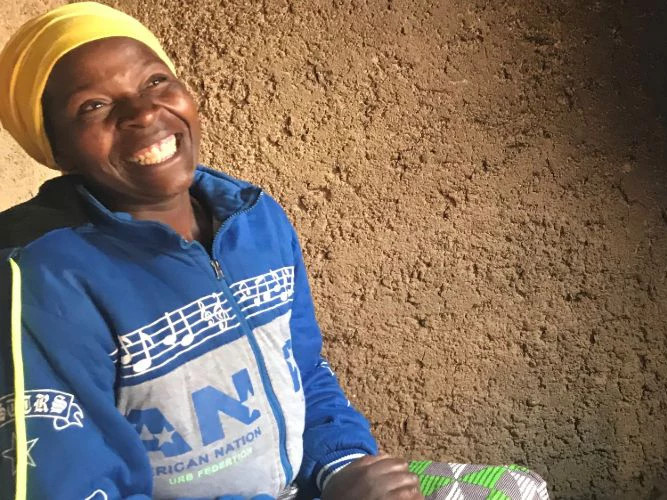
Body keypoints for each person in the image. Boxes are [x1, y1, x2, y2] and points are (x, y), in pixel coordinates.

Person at [0, 2, 424, 499]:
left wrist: (342, 464)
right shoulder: (41, 276)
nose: (142, 112)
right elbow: (70, 486)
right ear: (56, 148)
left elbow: (303, 368)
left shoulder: (254, 219)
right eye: (93, 105)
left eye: (155, 81)